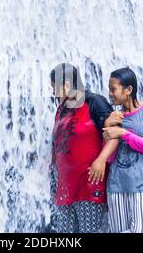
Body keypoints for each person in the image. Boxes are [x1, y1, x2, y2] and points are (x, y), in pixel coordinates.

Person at [50, 63, 117, 233]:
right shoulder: (61, 109)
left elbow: (114, 133)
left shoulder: (94, 102)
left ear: (66, 86)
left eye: (54, 88)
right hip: (64, 187)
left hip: (89, 185)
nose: (52, 93)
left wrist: (101, 160)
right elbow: (57, 142)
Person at [100, 67, 143, 233]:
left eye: (113, 89)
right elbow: (110, 158)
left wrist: (123, 133)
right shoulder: (114, 116)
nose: (110, 93)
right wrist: (107, 126)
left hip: (141, 183)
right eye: (109, 89)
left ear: (129, 90)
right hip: (116, 184)